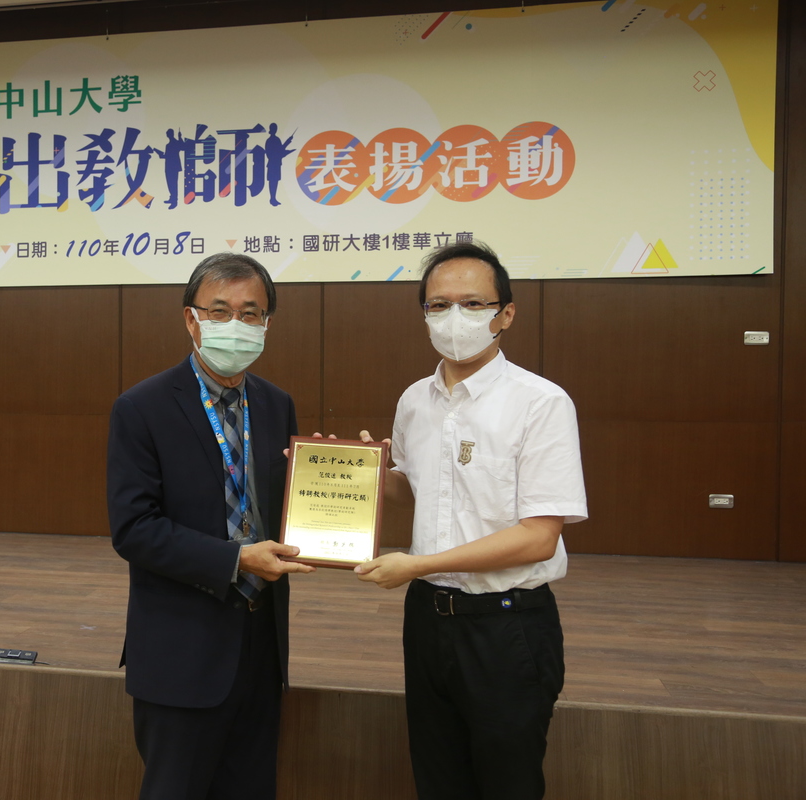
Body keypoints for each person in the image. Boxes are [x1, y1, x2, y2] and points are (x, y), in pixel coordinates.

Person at [354, 242, 588, 800]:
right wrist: (362, 475)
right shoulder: (415, 400)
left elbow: (538, 537)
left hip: (506, 626)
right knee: (438, 777)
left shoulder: (541, 403)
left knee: (507, 783)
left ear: (505, 313)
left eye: (472, 303)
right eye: (438, 305)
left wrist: (418, 565)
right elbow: (418, 490)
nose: (454, 317)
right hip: (427, 621)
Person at [108, 252, 315, 800]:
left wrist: (352, 486)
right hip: (182, 648)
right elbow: (134, 529)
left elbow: (292, 503)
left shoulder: (276, 405)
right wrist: (236, 559)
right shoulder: (142, 407)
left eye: (252, 313)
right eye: (219, 310)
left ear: (267, 323)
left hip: (261, 644)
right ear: (190, 318)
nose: (236, 325)